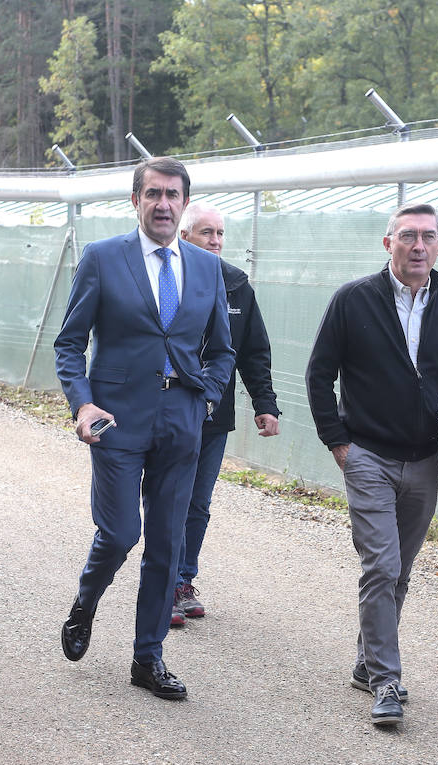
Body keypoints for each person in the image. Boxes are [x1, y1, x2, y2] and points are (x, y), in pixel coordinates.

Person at [53, 156, 235, 701]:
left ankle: (147, 657)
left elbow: (223, 350)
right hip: (116, 420)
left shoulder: (206, 268)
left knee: (166, 542)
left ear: (183, 204)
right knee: (121, 534)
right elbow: (69, 343)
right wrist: (83, 406)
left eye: (172, 195)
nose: (162, 204)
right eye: (152, 194)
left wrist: (205, 397)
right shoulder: (104, 259)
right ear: (136, 201)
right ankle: (86, 601)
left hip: (181, 423)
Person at [305, 203, 438, 728]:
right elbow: (319, 375)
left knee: (398, 570)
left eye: (429, 237)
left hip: (424, 459)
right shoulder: (353, 300)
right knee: (381, 565)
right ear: (389, 244)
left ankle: (366, 661)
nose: (418, 246)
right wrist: (339, 444)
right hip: (367, 457)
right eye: (408, 236)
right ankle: (387, 680)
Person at [169, 203, 280, 625]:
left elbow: (253, 352)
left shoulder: (237, 286)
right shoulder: (166, 282)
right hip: (167, 410)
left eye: (220, 234)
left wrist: (265, 405)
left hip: (214, 413)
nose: (215, 241)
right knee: (169, 497)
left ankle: (182, 579)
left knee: (198, 502)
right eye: (205, 233)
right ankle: (163, 581)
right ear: (183, 237)